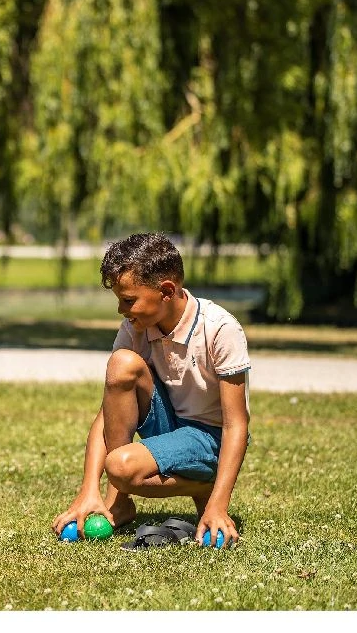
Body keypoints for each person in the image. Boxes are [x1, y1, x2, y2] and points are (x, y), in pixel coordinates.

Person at [52, 232, 251, 547]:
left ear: (166, 291)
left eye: (128, 300)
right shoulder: (136, 327)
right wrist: (88, 490)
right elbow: (107, 414)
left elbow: (236, 424)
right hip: (169, 423)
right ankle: (117, 503)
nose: (121, 309)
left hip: (209, 436)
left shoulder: (220, 329)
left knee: (120, 466)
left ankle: (205, 489)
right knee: (121, 364)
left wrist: (219, 504)